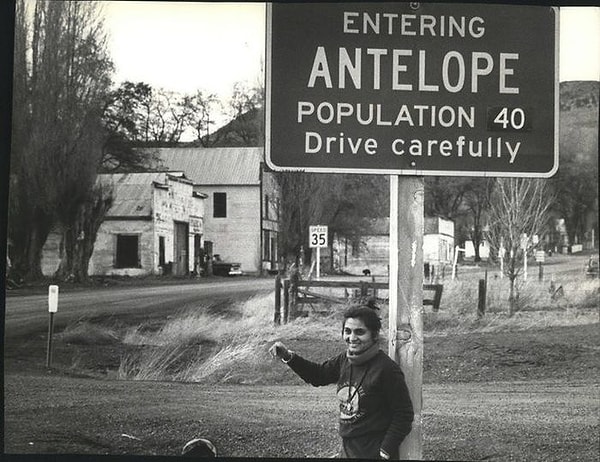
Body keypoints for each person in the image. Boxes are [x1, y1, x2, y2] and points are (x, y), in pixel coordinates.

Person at [269, 305, 414, 459]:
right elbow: (318, 375)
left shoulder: (386, 369)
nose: (352, 338)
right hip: (348, 448)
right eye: (348, 331)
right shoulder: (344, 360)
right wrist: (288, 356)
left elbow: (403, 414)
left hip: (373, 451)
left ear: (374, 335)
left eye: (360, 332)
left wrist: (385, 451)